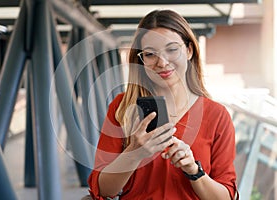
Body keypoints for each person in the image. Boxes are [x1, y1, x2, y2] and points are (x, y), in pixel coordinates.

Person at [88, 9, 238, 200]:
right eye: (150, 54)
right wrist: (134, 153)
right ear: (141, 61)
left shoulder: (217, 116)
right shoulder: (122, 108)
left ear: (189, 50)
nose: (162, 62)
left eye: (172, 49)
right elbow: (102, 190)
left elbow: (226, 196)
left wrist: (194, 170)